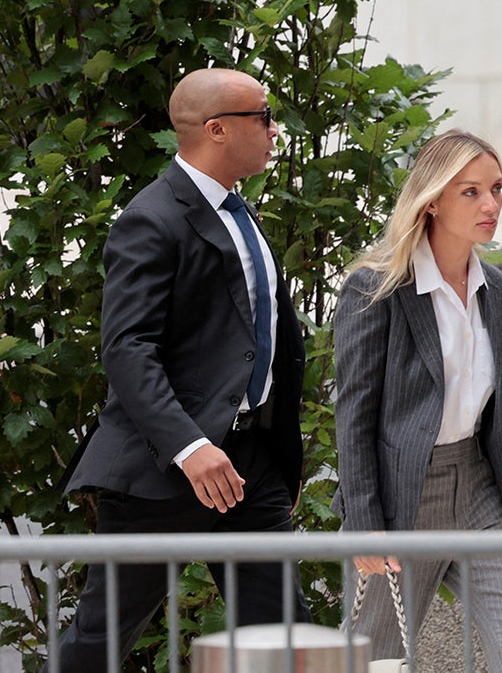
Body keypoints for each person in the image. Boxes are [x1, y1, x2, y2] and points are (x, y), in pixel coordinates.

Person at [48, 68, 310, 671]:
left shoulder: (238, 212)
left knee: (285, 638)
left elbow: (261, 336)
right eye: (263, 117)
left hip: (249, 467)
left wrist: (276, 447)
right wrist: (190, 446)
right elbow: (126, 348)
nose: (276, 130)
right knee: (100, 641)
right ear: (217, 130)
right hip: (163, 471)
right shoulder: (153, 217)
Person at [330, 129, 502, 671]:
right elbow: (353, 413)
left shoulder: (494, 290)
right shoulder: (375, 288)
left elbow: (500, 411)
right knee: (374, 660)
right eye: (470, 191)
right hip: (403, 490)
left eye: (496, 188)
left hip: (477, 487)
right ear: (432, 201)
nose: (491, 204)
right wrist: (365, 519)